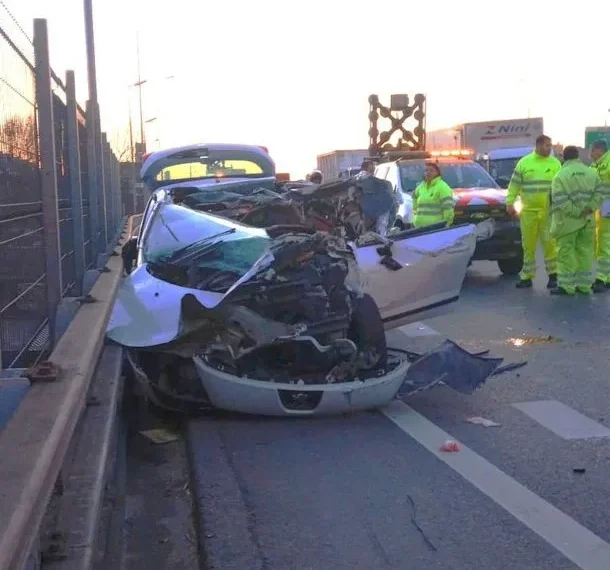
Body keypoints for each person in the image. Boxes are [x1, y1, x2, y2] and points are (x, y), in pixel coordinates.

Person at [507, 134, 561, 289]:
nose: (549, 148)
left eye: (550, 145)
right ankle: (527, 277)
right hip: (528, 212)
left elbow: (560, 186)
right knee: (528, 245)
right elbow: (514, 185)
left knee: (550, 243)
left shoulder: (555, 163)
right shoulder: (524, 163)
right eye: (547, 145)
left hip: (548, 211)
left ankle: (553, 276)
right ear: (538, 146)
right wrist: (509, 202)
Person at [549, 146, 602, 295]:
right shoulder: (592, 173)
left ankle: (567, 286)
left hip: (567, 223)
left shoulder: (560, 176)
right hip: (588, 221)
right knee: (585, 253)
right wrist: (589, 208)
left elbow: (559, 200)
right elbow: (600, 194)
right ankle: (584, 285)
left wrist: (576, 212)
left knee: (566, 254)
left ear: (564, 158)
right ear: (577, 156)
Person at [355, 159, 397, 234]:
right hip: (370, 213)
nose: (373, 169)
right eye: (371, 168)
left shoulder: (359, 180)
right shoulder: (374, 182)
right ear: (367, 168)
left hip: (367, 214)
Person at [590, 140, 610, 289]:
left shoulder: (608, 163)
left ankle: (601, 278)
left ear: (600, 150)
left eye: (592, 151)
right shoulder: (594, 166)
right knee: (601, 243)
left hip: (608, 208)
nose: (590, 154)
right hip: (601, 209)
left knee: (605, 243)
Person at [412, 162, 454, 228]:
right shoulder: (420, 188)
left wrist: (446, 226)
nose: (428, 172)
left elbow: (448, 210)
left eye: (431, 170)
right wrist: (415, 219)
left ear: (438, 173)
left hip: (435, 230)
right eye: (426, 170)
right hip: (419, 229)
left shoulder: (443, 187)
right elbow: (414, 202)